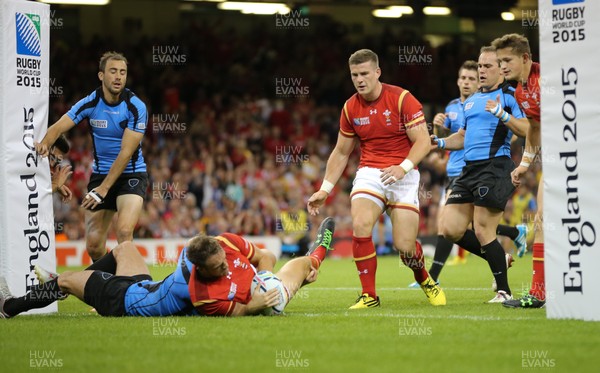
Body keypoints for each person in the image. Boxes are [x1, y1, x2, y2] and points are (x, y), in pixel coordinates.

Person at [307, 49, 446, 308]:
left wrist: (402, 167)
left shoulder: (402, 99)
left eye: (364, 74)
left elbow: (423, 142)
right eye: (354, 75)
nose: (359, 80)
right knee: (360, 225)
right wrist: (325, 189)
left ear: (377, 72)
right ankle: (369, 295)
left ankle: (424, 277)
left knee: (405, 247)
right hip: (370, 172)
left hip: (404, 174)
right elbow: (341, 152)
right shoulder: (350, 108)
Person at [0, 218, 335, 318]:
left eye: (225, 261)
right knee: (68, 280)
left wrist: (261, 272)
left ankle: (85, 285)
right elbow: (238, 310)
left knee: (125, 247)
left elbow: (264, 257)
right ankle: (10, 306)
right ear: (200, 270)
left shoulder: (221, 244)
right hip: (125, 300)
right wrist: (256, 300)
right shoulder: (199, 289)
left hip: (146, 287)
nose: (225, 268)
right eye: (217, 268)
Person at [409, 60, 528, 288]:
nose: (469, 81)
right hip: (462, 172)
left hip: (490, 169)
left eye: (473, 77)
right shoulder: (459, 106)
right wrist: (439, 137)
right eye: (464, 77)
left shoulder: (508, 96)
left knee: (478, 228)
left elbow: (519, 130)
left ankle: (500, 286)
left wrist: (503, 119)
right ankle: (509, 240)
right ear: (457, 80)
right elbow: (462, 136)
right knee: (455, 228)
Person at [35, 51, 148, 261]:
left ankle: (131, 286)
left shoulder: (136, 107)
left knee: (124, 232)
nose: (118, 77)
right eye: (113, 71)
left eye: (122, 72)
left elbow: (126, 153)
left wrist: (104, 189)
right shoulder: (90, 102)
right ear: (101, 75)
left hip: (131, 175)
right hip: (100, 176)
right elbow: (58, 127)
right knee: (94, 246)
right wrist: (44, 144)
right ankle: (109, 281)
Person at [493, 34, 545, 309]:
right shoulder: (522, 92)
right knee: (542, 221)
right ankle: (538, 294)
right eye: (499, 61)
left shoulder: (548, 77)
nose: (502, 66)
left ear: (526, 58)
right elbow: (534, 129)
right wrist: (525, 164)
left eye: (507, 60)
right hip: (559, 160)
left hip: (583, 154)